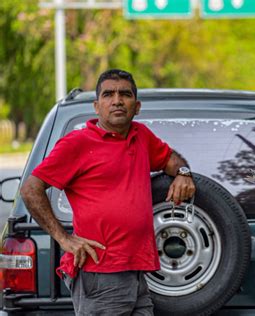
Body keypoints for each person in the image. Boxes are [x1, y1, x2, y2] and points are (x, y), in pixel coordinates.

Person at [20, 69, 196, 315]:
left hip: (137, 272)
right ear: (96, 105)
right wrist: (64, 238)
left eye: (125, 94)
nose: (117, 100)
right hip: (100, 274)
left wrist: (184, 173)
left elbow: (171, 159)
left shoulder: (141, 137)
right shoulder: (77, 143)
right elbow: (30, 189)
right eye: (108, 94)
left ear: (136, 106)